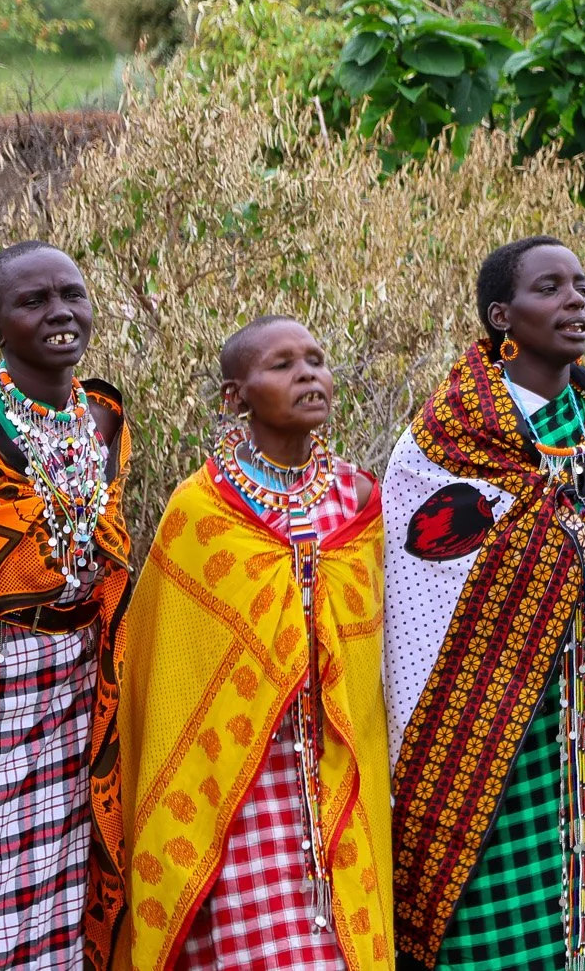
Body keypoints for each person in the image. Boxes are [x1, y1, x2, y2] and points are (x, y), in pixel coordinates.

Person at [383, 236, 585, 971]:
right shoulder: (447, 438)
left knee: (580, 903)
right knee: (485, 916)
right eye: (550, 288)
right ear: (502, 314)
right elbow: (422, 588)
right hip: (479, 722)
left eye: (582, 286)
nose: (576, 302)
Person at [120, 315, 392, 971]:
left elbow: (373, 661)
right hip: (236, 799)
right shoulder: (200, 509)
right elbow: (167, 673)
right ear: (233, 396)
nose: (307, 373)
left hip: (337, 791)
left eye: (317, 359)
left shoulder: (359, 500)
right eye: (281, 364)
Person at [0, 241, 128, 971]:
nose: (61, 312)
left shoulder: (102, 420)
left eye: (72, 294)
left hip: (79, 683)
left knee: (70, 865)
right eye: (34, 301)